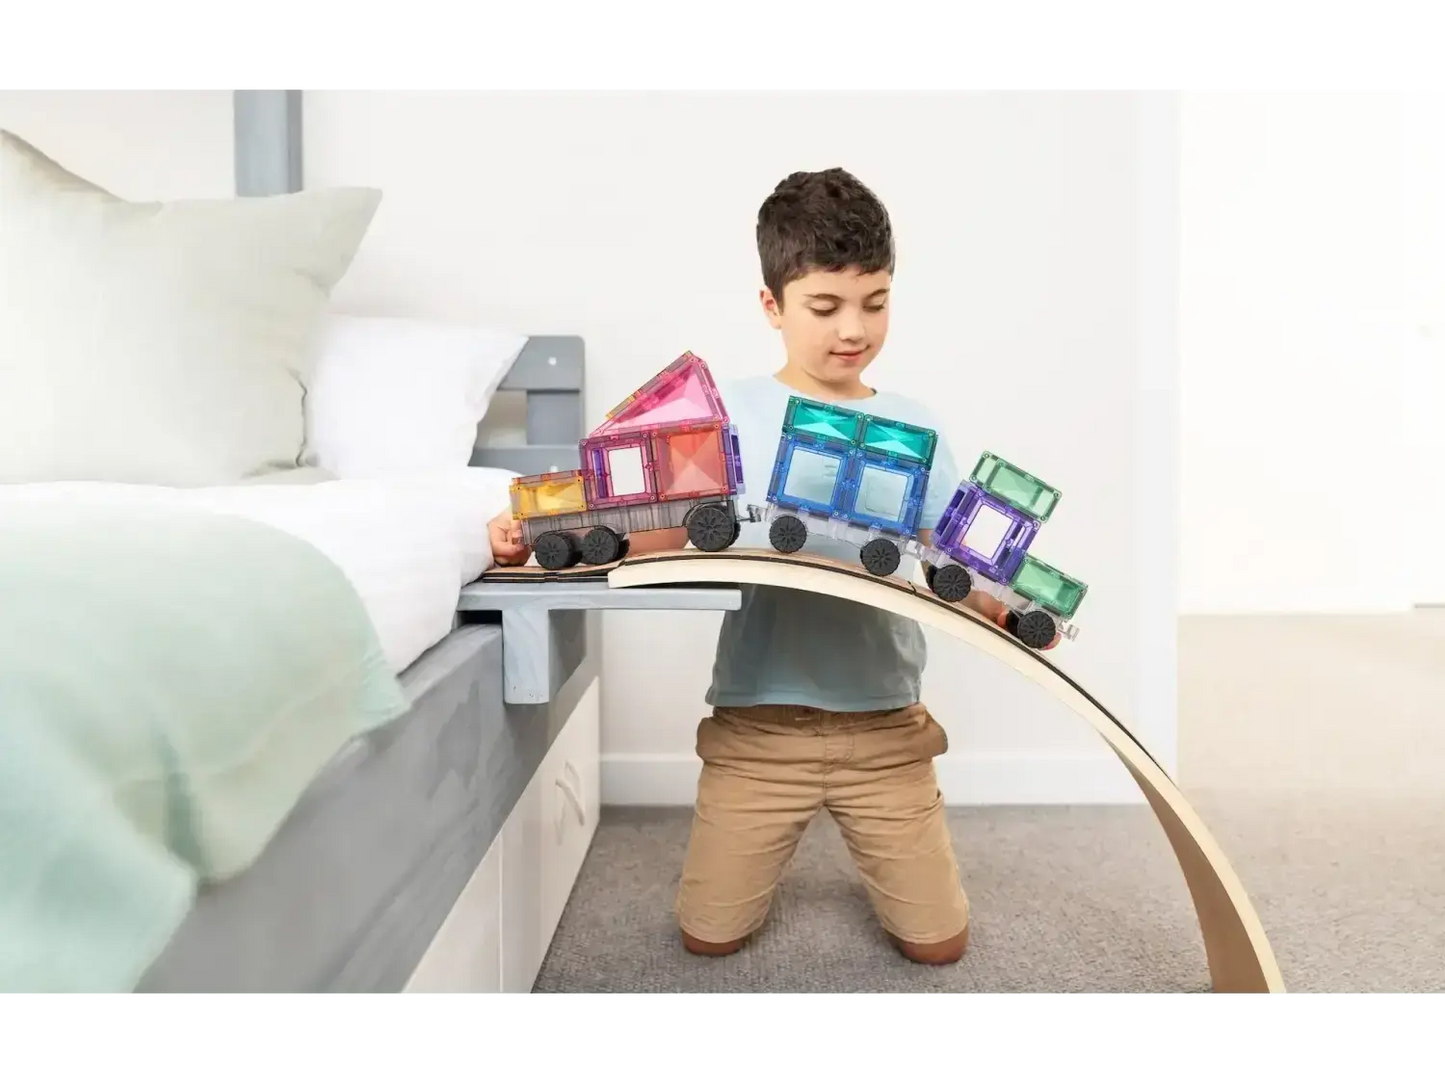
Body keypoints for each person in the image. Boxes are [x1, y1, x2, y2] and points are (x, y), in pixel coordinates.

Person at [486, 167, 1057, 965]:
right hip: (758, 726)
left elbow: (956, 558)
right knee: (706, 937)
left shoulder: (912, 427)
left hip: (884, 726)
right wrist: (549, 528)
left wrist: (1015, 610)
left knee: (939, 946)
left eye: (875, 302)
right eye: (824, 307)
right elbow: (659, 526)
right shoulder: (734, 415)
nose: (851, 328)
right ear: (772, 306)